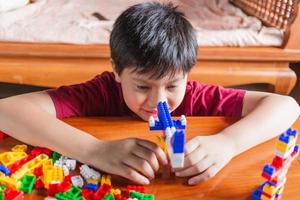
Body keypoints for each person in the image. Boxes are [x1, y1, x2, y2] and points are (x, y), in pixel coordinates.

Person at [0, 2, 299, 186]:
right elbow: (6, 111)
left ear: (187, 74)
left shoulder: (195, 96)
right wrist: (95, 150)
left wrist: (227, 142)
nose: (159, 101)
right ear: (117, 72)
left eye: (172, 86)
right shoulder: (101, 92)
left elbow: (285, 105)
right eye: (142, 86)